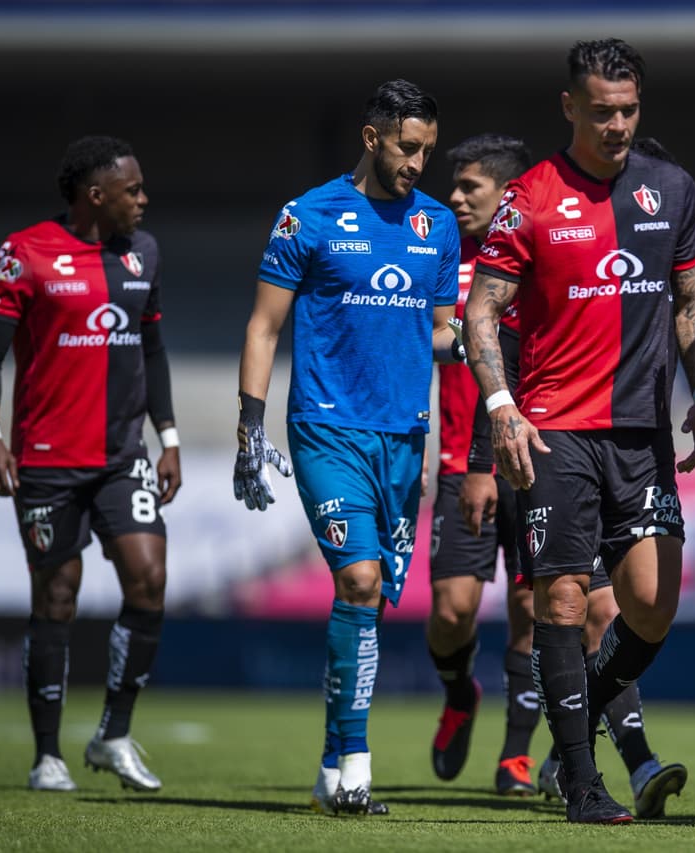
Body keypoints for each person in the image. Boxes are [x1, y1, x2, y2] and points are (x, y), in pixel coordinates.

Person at [464, 39, 695, 824]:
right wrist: (502, 407)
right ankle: (582, 783)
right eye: (602, 110)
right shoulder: (530, 197)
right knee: (562, 599)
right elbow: (482, 312)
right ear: (569, 106)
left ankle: (566, 732)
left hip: (640, 431)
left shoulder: (671, 188)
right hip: (554, 430)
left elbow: (692, 299)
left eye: (629, 110)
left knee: (651, 604)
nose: (617, 124)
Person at [233, 80, 463, 817]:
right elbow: (265, 327)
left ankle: (332, 763)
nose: (418, 162)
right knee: (360, 578)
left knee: (368, 596)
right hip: (325, 427)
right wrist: (249, 424)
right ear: (371, 138)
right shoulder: (308, 216)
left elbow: (441, 331)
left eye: (427, 148)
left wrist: (489, 339)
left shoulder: (437, 225)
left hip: (403, 438)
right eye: (407, 146)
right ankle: (358, 766)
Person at [0, 135, 180, 793]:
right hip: (47, 460)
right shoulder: (24, 251)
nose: (144, 199)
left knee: (148, 580)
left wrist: (168, 437)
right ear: (97, 195)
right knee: (56, 598)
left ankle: (112, 734)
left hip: (123, 457)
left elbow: (152, 348)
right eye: (133, 189)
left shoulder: (143, 252)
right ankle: (47, 754)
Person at [423, 133, 542, 796]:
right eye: (455, 185)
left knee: (531, 607)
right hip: (457, 459)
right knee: (452, 608)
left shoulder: (540, 251)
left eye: (470, 187)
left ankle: (517, 754)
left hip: (531, 455)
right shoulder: (447, 254)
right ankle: (458, 691)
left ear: (507, 194)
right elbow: (443, 335)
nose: (455, 197)